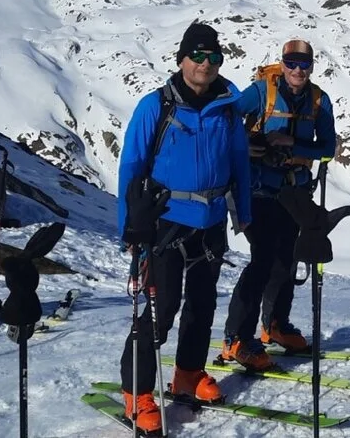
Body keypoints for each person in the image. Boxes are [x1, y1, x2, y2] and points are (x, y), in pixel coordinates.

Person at [117, 22, 252, 436]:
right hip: (165, 223)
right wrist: (130, 226)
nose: (205, 64)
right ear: (181, 60)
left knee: (202, 306)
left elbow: (240, 162)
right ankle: (137, 393)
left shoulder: (227, 108)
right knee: (160, 311)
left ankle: (188, 375)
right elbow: (131, 166)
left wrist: (243, 212)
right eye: (197, 55)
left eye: (214, 57)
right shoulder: (155, 106)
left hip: (211, 222)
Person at [218, 39, 336, 370]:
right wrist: (247, 144)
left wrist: (292, 143)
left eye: (304, 64)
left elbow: (328, 148)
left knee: (286, 260)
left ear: (312, 66)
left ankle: (275, 325)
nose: (298, 69)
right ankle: (236, 338)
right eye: (292, 62)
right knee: (264, 258)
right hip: (255, 189)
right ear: (282, 64)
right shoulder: (261, 92)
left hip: (294, 192)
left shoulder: (319, 101)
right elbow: (224, 121)